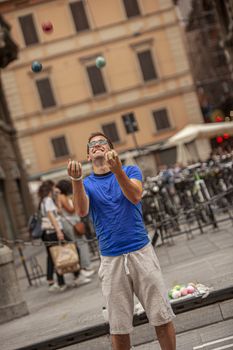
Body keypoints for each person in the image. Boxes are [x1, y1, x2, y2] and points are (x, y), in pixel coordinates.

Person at [67, 132, 176, 350]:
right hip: (111, 259)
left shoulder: (129, 170)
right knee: (119, 327)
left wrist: (117, 171)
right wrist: (76, 180)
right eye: (93, 145)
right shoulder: (86, 183)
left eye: (102, 143)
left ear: (111, 149)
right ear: (88, 155)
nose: (97, 146)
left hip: (141, 252)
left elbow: (135, 195)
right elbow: (81, 210)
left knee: (161, 316)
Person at [38, 180, 90, 292]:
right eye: (54, 188)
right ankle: (77, 276)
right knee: (72, 249)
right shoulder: (47, 200)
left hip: (51, 232)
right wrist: (58, 231)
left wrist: (56, 197)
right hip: (53, 231)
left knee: (57, 256)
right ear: (50, 188)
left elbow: (58, 211)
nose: (56, 189)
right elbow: (51, 216)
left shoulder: (45, 201)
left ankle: (63, 282)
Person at [56, 179, 95, 279]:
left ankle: (84, 267)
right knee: (80, 243)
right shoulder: (62, 197)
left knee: (81, 243)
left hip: (72, 223)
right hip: (71, 224)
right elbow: (70, 209)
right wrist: (76, 203)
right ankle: (84, 267)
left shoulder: (62, 196)